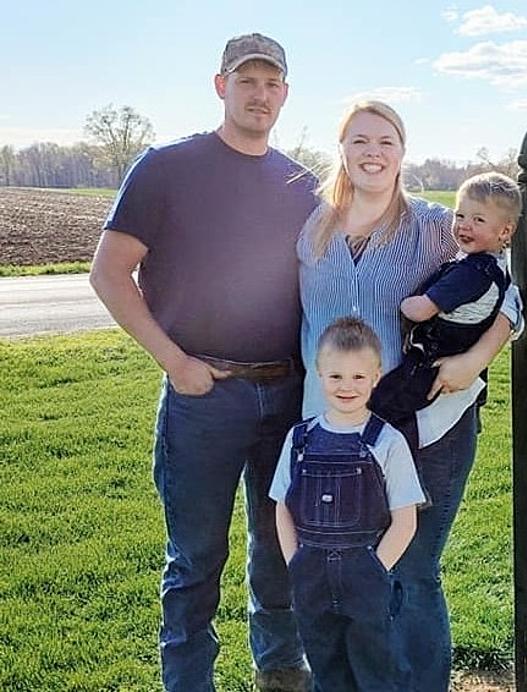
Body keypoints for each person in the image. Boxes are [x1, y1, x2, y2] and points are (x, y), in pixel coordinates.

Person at [90, 33, 317, 692]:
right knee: (195, 559)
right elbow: (108, 273)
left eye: (272, 82)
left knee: (278, 547)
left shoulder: (300, 184)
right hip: (202, 396)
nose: (260, 93)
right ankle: (188, 681)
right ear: (221, 86)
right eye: (246, 80)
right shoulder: (167, 168)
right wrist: (175, 361)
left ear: (285, 93)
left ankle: (280, 669)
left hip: (286, 396)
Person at [296, 100, 522, 691]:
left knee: (412, 570)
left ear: (403, 153)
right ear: (341, 149)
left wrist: (476, 358)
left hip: (425, 427)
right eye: (361, 140)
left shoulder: (431, 227)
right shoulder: (311, 228)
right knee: (350, 573)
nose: (374, 152)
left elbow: (507, 290)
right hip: (335, 433)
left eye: (387, 141)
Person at [270, 316, 425, 691]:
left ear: (376, 376)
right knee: (326, 666)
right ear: (319, 374)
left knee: (376, 668)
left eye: (358, 377)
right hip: (312, 578)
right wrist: (296, 562)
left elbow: (405, 520)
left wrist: (374, 568)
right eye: (336, 376)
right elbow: (282, 508)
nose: (346, 387)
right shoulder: (300, 439)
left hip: (365, 578)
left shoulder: (386, 442)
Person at [370, 172, 520, 438]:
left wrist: (402, 302)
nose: (464, 225)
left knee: (384, 406)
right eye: (459, 216)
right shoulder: (493, 266)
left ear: (505, 231)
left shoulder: (472, 273)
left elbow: (420, 310)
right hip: (447, 363)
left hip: (433, 362)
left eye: (478, 219)